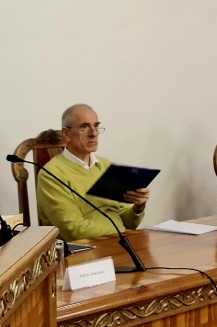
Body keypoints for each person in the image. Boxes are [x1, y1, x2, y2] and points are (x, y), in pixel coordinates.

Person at [36, 103, 149, 241]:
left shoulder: (106, 166)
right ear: (66, 134)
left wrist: (138, 208)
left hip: (120, 242)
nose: (94, 133)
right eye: (84, 127)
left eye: (96, 126)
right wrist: (121, 234)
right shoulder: (51, 174)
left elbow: (128, 222)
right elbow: (73, 230)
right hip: (85, 250)